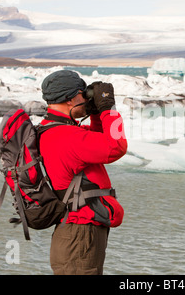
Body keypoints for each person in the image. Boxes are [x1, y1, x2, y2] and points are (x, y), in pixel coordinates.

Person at [39, 69, 127, 275]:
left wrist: (96, 113)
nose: (85, 100)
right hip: (80, 233)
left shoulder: (52, 130)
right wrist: (108, 109)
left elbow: (99, 140)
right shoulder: (66, 136)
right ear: (71, 99)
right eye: (82, 95)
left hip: (75, 231)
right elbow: (116, 146)